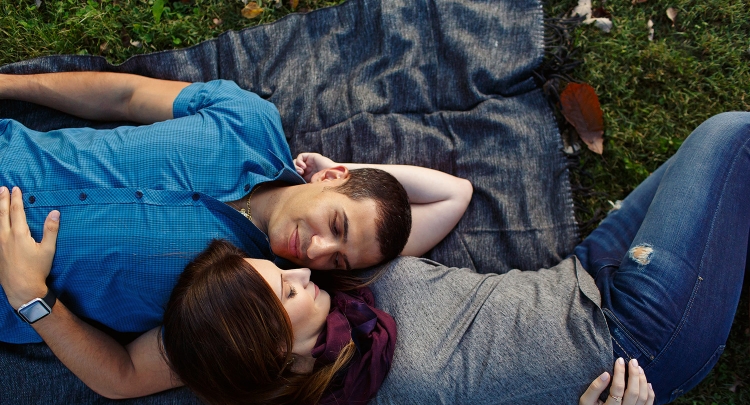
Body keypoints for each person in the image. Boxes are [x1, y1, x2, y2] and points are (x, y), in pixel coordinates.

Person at [1, 112, 747, 405]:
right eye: (285, 289)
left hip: (586, 271)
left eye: (281, 273)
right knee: (729, 136)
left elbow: (450, 195)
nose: (299, 272)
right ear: (279, 352)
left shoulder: (354, 287)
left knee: (718, 168)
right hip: (634, 339)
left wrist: (343, 176)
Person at [0, 71, 473, 343]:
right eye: (336, 224)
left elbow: (452, 200)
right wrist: (8, 84)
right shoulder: (248, 120)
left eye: (338, 261)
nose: (317, 250)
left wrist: (33, 298)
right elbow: (126, 96)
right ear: (330, 179)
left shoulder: (246, 294)